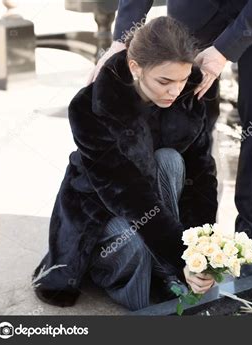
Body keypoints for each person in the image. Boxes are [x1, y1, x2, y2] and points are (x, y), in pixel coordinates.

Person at [91, 0, 252, 277]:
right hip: (196, 11)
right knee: (187, 128)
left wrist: (224, 50)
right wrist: (121, 39)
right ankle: (193, 244)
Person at [32, 17, 218, 311]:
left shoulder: (191, 95)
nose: (175, 91)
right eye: (164, 81)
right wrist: (183, 256)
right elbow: (127, 195)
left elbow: (202, 177)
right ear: (135, 68)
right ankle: (136, 276)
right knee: (132, 243)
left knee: (170, 159)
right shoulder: (88, 107)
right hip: (103, 213)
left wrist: (203, 252)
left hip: (158, 213)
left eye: (182, 80)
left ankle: (167, 272)